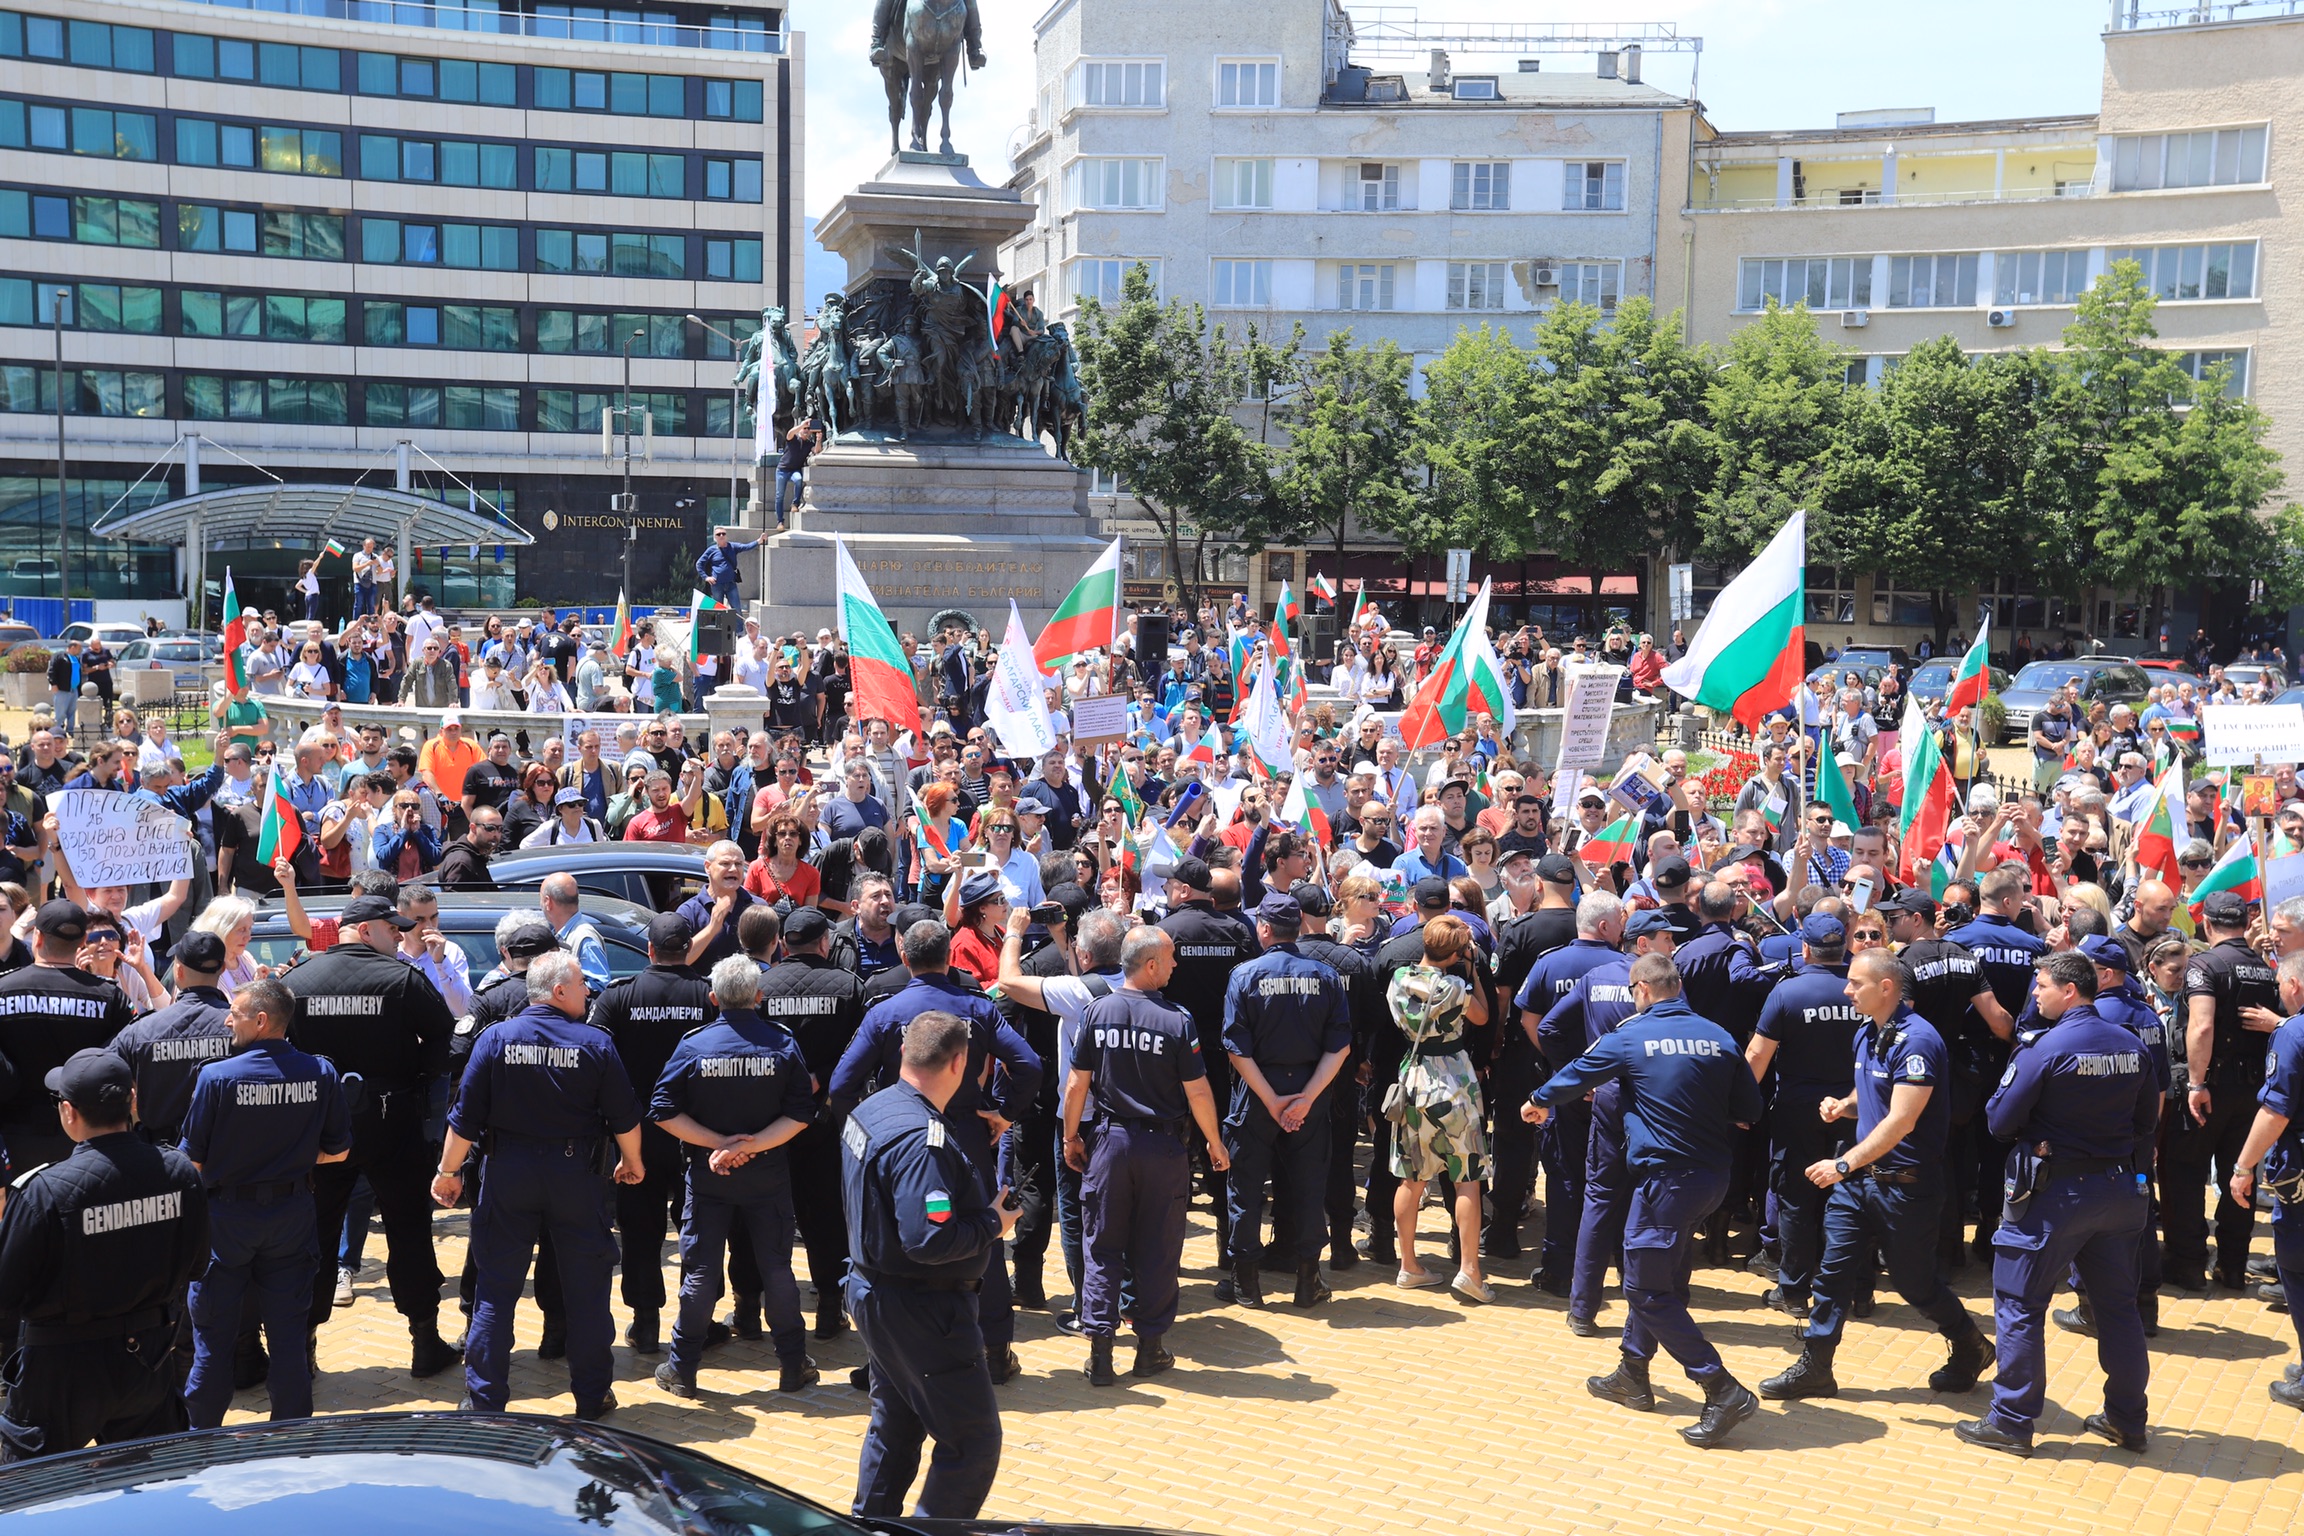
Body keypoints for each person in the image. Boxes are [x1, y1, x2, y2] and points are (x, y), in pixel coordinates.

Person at [1523, 953, 1766, 1448]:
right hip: (1711, 1182)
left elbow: (1578, 1073)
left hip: (1665, 1183)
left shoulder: (1631, 1035)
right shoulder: (1719, 1036)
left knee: (1645, 1291)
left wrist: (1538, 1100)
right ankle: (1633, 1373)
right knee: (1658, 1278)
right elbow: (1749, 1110)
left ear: (1641, 989)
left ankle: (1720, 1387)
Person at [1760, 949, 1993, 1403]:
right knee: (1832, 1275)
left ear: (1886, 988)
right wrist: (1845, 1105)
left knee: (1916, 1284)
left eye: (1855, 984)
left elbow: (1902, 1120)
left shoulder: (1919, 1041)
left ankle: (1971, 1345)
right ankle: (1816, 1368)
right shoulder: (1867, 1033)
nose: (1847, 991)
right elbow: (1873, 1091)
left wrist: (1843, 1164)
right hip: (1862, 1184)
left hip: (1905, 1187)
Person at [1954, 950, 2159, 1457]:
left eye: (2041, 986)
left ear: (2071, 990)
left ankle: (2011, 1420)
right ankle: (2128, 1420)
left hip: (2055, 1196)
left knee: (2020, 1306)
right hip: (2117, 1191)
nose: (2035, 994)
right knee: (2117, 1309)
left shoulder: (2044, 1049)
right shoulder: (2131, 1044)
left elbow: (1999, 1121)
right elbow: (2145, 1120)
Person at [435, 949, 645, 1420]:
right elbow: (625, 1117)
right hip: (574, 1176)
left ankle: (485, 1398)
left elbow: (463, 1120)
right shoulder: (595, 1043)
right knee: (587, 1290)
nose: (589, 991)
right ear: (558, 991)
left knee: (496, 1288)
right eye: (581, 984)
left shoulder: (495, 1039)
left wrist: (448, 1173)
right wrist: (633, 1162)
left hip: (508, 1172)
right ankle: (592, 1396)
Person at [830, 921, 1041, 1384]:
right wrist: (1004, 1114)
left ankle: (886, 1357)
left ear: (904, 956)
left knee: (896, 1237)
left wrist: (871, 1128)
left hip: (902, 1136)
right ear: (950, 958)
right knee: (982, 1237)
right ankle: (996, 1351)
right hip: (966, 1135)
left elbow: (841, 1085)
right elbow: (1028, 1063)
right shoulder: (977, 1007)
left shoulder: (887, 1011)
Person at [840, 1009, 1022, 1520]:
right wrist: (992, 1223)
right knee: (973, 1444)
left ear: (905, 1052)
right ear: (962, 1062)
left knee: (894, 1426)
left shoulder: (870, 1111)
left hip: (875, 1292)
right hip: (923, 1308)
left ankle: (869, 1525)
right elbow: (928, 1239)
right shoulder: (925, 1141)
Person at [284, 891, 460, 1377]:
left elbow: (278, 1048)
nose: (401, 937)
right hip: (393, 1120)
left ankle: (303, 1344)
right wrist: (422, 1082)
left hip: (321, 1127)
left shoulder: (298, 981)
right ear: (364, 931)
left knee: (313, 1235)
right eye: (393, 930)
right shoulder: (402, 979)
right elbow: (445, 1035)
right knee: (408, 1230)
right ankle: (424, 1339)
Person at [0, 1049, 207, 1461]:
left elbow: (7, 1291)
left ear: (68, 1112)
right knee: (153, 1487)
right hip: (147, 1359)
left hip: (60, 1369)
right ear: (132, 1100)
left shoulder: (45, 1190)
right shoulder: (180, 1173)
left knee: (34, 1495)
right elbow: (197, 1264)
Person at [178, 977, 352, 1428]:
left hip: (227, 1220)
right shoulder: (320, 1072)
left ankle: (200, 1440)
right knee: (289, 1337)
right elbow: (339, 1151)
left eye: (234, 1014)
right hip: (291, 1215)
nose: (226, 1020)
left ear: (260, 1020)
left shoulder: (217, 1077)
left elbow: (190, 1163)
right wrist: (291, 1159)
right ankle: (291, 1437)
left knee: (213, 1340)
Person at [1062, 925, 1227, 1385]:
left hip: (1109, 1145)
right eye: (1171, 959)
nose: (1176, 966)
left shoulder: (1098, 1012)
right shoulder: (1178, 1019)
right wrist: (1214, 1142)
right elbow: (1197, 1091)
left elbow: (1077, 1084)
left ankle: (1100, 1352)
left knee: (1102, 1246)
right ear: (1150, 964)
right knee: (1158, 1249)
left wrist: (1070, 1137)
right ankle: (1150, 1348)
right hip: (1163, 1148)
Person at [649, 954, 821, 1396]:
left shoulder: (694, 1045)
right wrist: (751, 1145)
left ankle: (683, 1368)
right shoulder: (781, 1043)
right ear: (759, 997)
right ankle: (791, 1363)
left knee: (701, 1271)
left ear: (713, 998)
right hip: (766, 1174)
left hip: (709, 1176)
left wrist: (719, 1146)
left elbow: (663, 1111)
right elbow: (803, 1112)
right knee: (777, 1269)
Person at [587, 912, 714, 1355]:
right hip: (696, 1131)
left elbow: (593, 1059)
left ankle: (645, 1323)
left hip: (634, 1134)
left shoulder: (620, 997)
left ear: (649, 952)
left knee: (641, 1230)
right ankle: (699, 1318)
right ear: (687, 951)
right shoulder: (707, 995)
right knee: (697, 1227)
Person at [1220, 891, 1353, 1310]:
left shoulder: (1244, 975)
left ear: (1263, 928)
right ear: (1298, 928)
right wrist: (1304, 1100)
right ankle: (1307, 1280)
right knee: (1310, 1186)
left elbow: (1237, 1050)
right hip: (1309, 1093)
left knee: (1245, 1188)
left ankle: (1247, 1285)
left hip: (1259, 1092)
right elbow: (1341, 1047)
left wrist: (1274, 1101)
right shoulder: (1326, 975)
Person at [758, 904, 870, 1339]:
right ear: (825, 942)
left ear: (784, 944)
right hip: (829, 1120)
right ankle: (829, 1304)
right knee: (826, 1214)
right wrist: (822, 1077)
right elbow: (863, 1051)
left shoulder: (761, 986)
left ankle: (753, 1306)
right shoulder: (849, 986)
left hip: (771, 1120)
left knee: (766, 1212)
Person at [1744, 914, 1860, 1316]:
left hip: (1798, 1110)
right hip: (1855, 1108)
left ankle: (1793, 1291)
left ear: (1805, 950)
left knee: (1796, 1200)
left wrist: (1742, 1105)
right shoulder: (1860, 990)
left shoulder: (1787, 993)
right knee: (1850, 1198)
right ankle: (1857, 1292)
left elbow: (1758, 1054)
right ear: (1843, 947)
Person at [2166, 889, 2279, 1291]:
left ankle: (2188, 1265)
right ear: (2246, 924)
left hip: (2211, 1086)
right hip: (2253, 1093)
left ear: (2207, 924)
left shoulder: (2203, 966)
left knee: (2184, 1173)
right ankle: (2232, 1266)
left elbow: (2201, 1026)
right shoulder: (2267, 967)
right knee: (2240, 1176)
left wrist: (2197, 1082)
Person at [1385, 915, 1493, 1303]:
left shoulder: (1399, 980)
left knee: (1411, 1178)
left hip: (1413, 1080)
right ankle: (1469, 1271)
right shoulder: (1455, 987)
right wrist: (1474, 972)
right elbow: (1482, 1016)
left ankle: (1409, 1265)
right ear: (1456, 952)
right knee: (1467, 1176)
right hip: (1453, 1084)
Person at [0, 901, 140, 1174]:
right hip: (88, 1134)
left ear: (37, 938)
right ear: (83, 942)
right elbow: (127, 1054)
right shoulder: (109, 996)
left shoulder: (3, 990)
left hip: (14, 1134)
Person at [2231, 950, 2304, 1412]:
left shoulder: (2293, 1033)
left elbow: (2275, 1111)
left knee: (2297, 1269)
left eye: (2281, 984)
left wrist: (2242, 1168)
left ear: (2295, 987)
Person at [106, 933, 238, 1146]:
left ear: (178, 971)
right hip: (228, 1153)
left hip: (159, 1157)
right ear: (222, 969)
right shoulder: (244, 1027)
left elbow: (103, 1076)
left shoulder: (142, 1030)